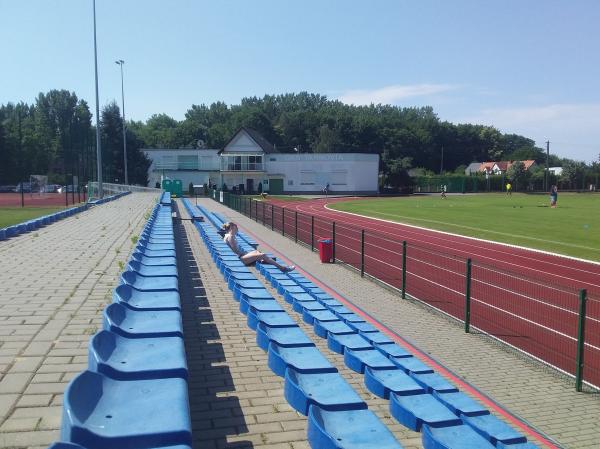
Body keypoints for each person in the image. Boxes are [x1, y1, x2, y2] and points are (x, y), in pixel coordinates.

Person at [222, 222, 295, 272]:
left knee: (257, 252)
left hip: (237, 257)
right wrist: (245, 253)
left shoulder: (229, 236)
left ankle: (264, 260)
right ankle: (282, 268)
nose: (237, 229)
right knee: (262, 255)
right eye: (236, 227)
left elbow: (235, 250)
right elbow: (235, 251)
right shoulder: (230, 237)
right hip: (238, 260)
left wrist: (247, 253)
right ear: (232, 228)